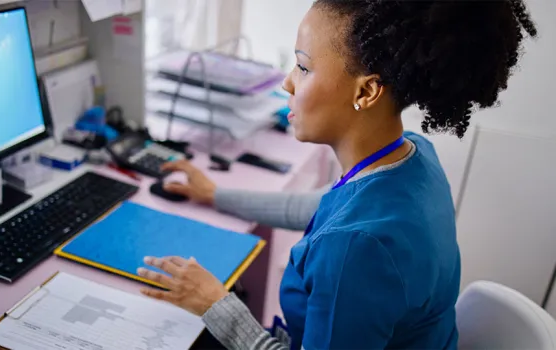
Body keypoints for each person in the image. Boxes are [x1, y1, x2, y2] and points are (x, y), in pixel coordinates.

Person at [136, 1, 537, 349]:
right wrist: (216, 194)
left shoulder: (353, 249)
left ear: (366, 93)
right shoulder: (412, 157)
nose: (287, 81)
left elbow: (345, 233)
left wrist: (215, 305)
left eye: (304, 67)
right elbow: (321, 207)